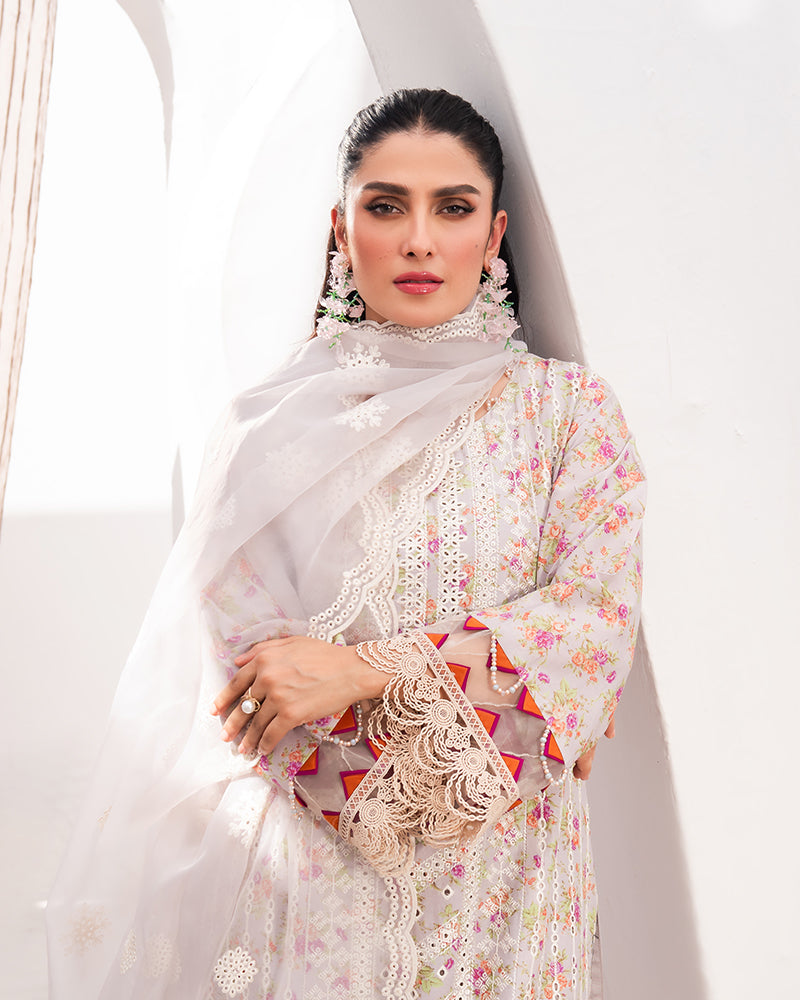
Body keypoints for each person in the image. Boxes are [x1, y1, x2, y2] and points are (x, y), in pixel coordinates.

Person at [47, 89, 645, 1000]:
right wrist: (525, 724)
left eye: (453, 208)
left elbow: (591, 632)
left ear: (494, 235)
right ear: (341, 227)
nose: (419, 241)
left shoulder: (567, 414)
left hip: (509, 889)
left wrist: (363, 671)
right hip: (316, 889)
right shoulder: (264, 435)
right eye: (386, 206)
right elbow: (262, 683)